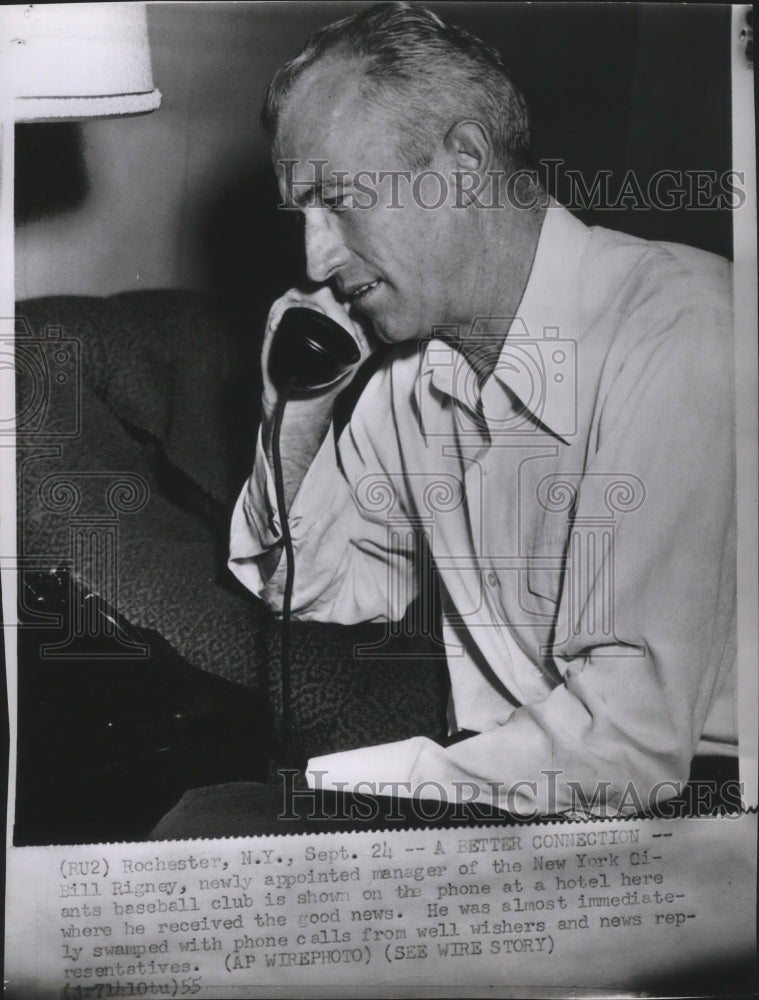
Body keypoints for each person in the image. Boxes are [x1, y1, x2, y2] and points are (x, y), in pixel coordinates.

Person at [228, 1, 737, 819]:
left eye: (337, 201)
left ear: (462, 160)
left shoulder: (684, 331)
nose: (315, 257)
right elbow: (310, 587)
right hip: (537, 799)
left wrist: (326, 795)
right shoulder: (412, 378)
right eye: (303, 215)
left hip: (709, 807)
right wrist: (296, 409)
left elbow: (628, 746)